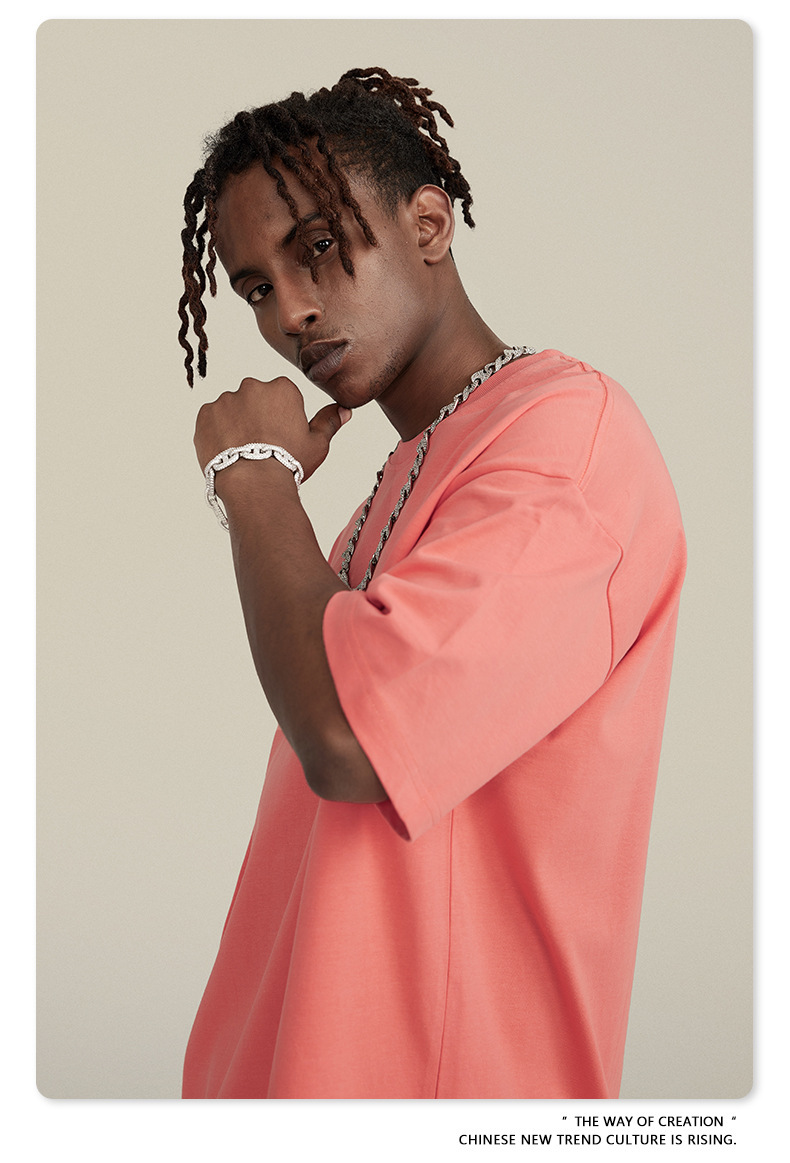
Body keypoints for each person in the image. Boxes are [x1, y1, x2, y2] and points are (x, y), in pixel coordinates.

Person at [177, 67, 686, 1100]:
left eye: (320, 246)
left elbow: (352, 743)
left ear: (428, 224)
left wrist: (254, 475)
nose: (292, 312)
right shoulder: (411, 473)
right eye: (258, 287)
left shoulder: (562, 448)